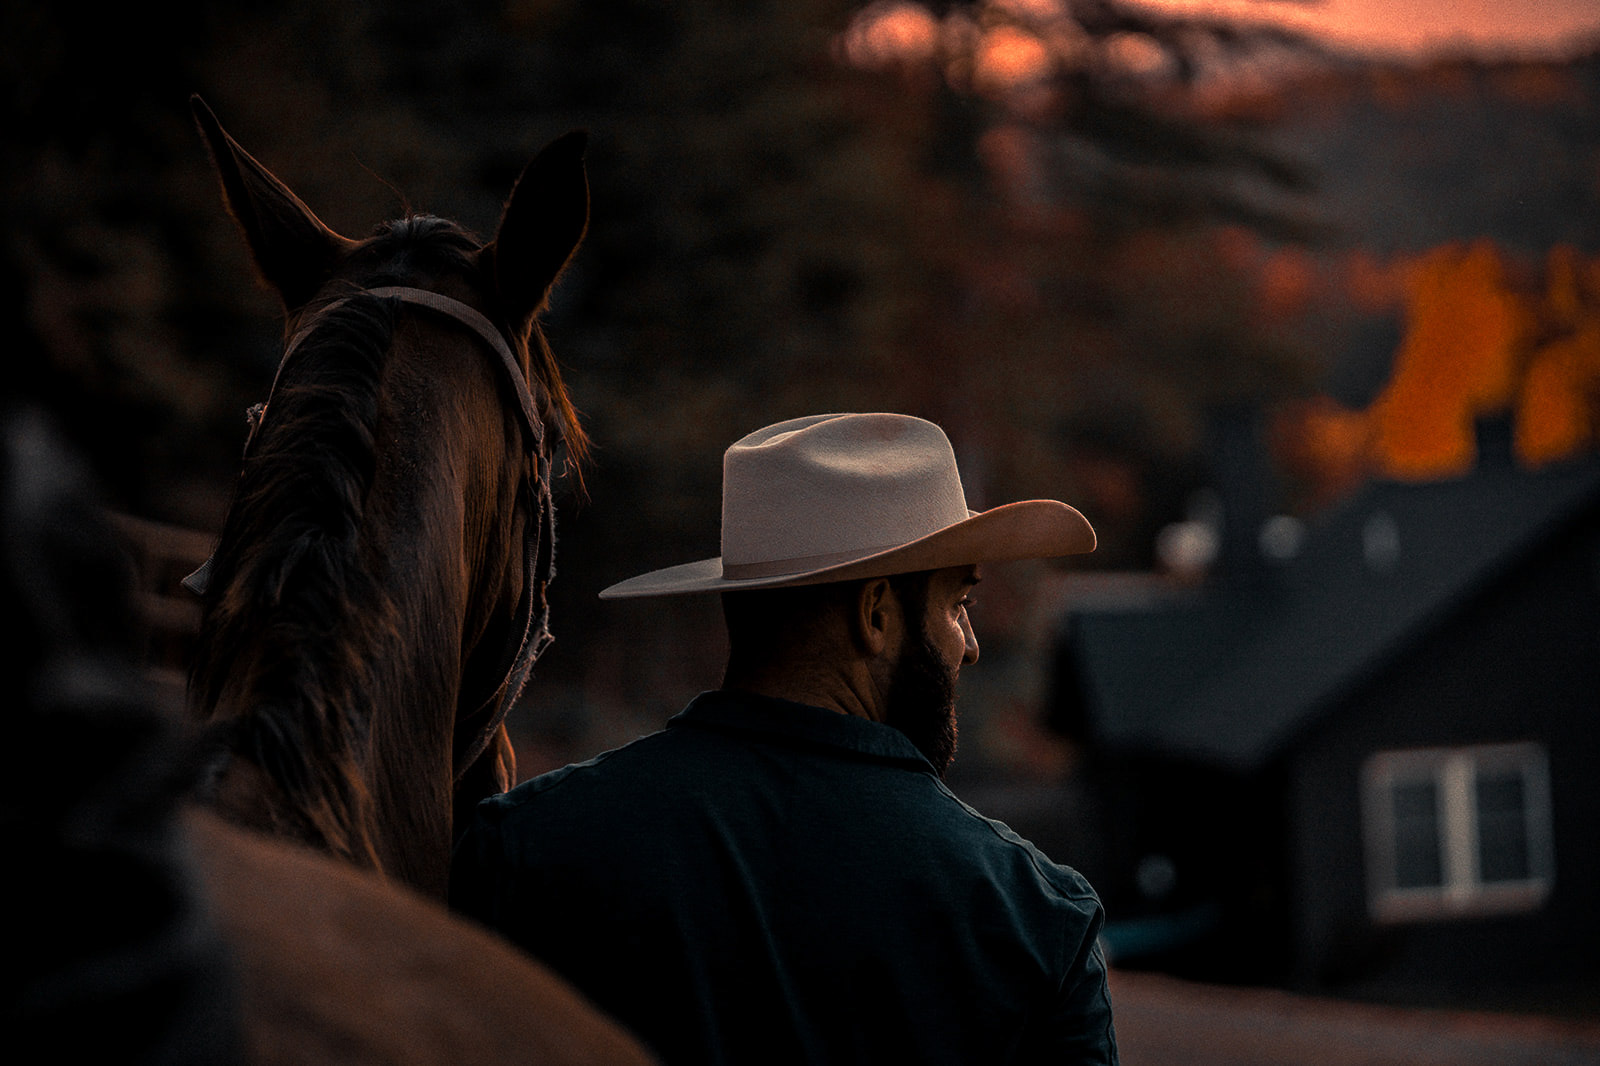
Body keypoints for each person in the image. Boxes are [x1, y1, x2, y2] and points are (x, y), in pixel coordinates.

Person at [450, 412, 1118, 1065]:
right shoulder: (1031, 917)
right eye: (957, 605)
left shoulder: (527, 849)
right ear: (877, 613)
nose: (968, 646)